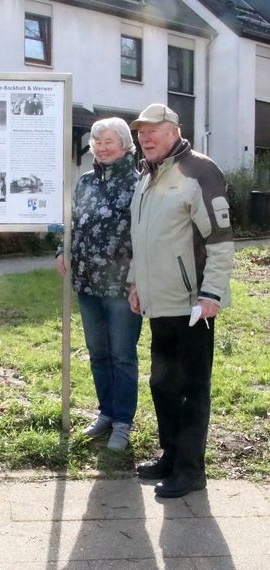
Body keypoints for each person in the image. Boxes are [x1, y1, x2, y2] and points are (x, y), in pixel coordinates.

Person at [127, 104, 234, 498]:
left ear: (173, 131)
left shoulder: (199, 170)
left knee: (191, 388)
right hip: (159, 302)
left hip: (193, 304)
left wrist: (212, 293)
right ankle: (171, 457)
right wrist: (135, 282)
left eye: (153, 131)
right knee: (162, 384)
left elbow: (220, 242)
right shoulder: (148, 175)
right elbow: (142, 239)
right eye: (140, 133)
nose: (145, 138)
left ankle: (191, 471)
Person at [56, 117, 142, 451]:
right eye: (97, 141)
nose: (102, 148)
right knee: (97, 353)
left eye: (108, 141)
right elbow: (72, 221)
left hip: (123, 286)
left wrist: (139, 279)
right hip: (88, 282)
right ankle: (106, 413)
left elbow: (145, 234)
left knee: (122, 355)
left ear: (124, 144)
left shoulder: (139, 183)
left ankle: (123, 421)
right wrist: (62, 249)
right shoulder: (85, 181)